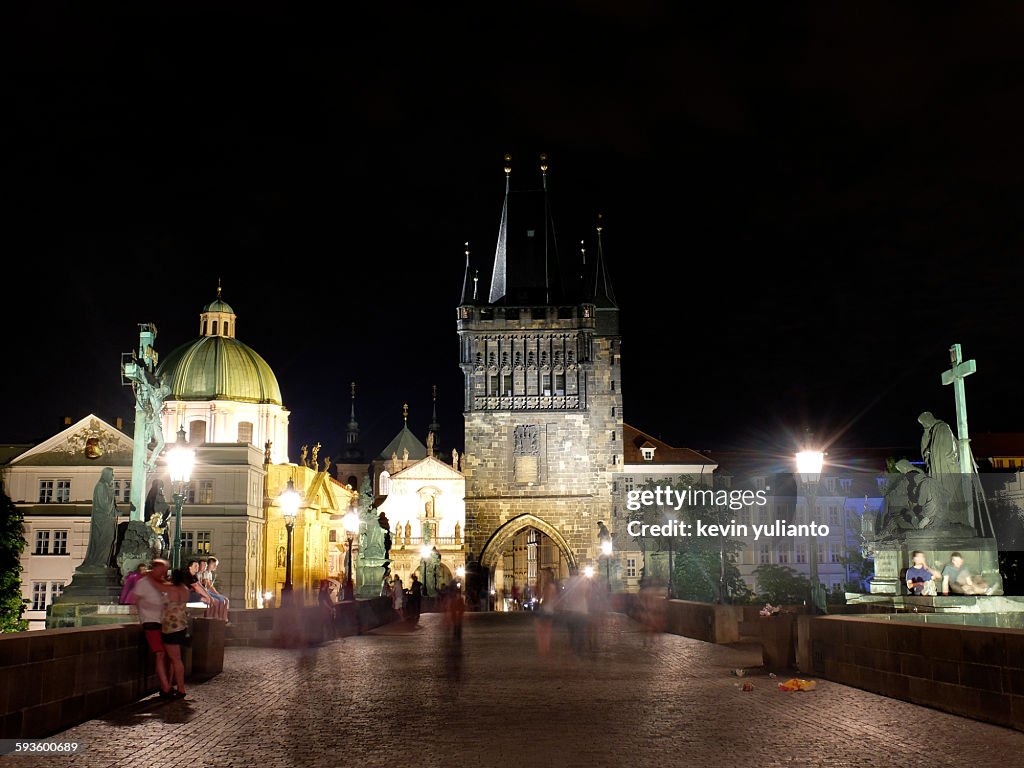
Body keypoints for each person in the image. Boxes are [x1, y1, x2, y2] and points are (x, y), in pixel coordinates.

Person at [132, 558, 173, 699]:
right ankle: (166, 688)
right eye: (161, 570)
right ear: (155, 569)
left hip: (163, 622)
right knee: (160, 654)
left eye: (165, 570)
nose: (163, 573)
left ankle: (168, 685)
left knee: (168, 655)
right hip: (150, 622)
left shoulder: (162, 584)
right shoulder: (143, 583)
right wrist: (141, 617)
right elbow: (136, 600)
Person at [161, 568, 191, 699]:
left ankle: (181, 688)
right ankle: (172, 684)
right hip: (182, 625)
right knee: (175, 659)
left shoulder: (170, 589)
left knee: (176, 660)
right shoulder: (185, 589)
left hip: (171, 627)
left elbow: (162, 604)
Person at [81, 467, 118, 568]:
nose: (113, 477)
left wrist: (116, 511)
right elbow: (104, 506)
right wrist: (111, 494)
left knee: (110, 540)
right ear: (106, 475)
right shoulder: (100, 486)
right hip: (102, 520)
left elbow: (110, 506)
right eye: (112, 474)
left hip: (108, 519)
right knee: (104, 539)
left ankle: (104, 561)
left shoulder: (107, 486)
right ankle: (98, 562)